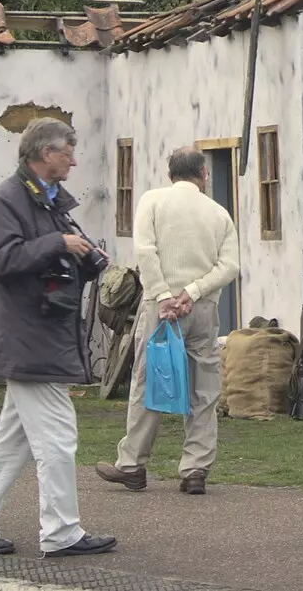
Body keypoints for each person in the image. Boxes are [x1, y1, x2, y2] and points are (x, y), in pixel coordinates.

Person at [0, 118, 115, 559]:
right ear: (46, 154)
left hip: (35, 334)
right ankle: (62, 532)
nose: (74, 159)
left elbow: (46, 255)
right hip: (27, 338)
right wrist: (60, 244)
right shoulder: (7, 199)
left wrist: (83, 255)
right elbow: (1, 259)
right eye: (68, 151)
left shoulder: (46, 203)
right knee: (59, 438)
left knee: (14, 440)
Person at [96, 147, 239, 496]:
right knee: (203, 389)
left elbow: (145, 251)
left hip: (158, 308)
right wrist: (192, 291)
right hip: (202, 307)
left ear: (169, 174)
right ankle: (195, 469)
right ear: (203, 175)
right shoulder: (219, 213)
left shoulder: (152, 202)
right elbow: (229, 266)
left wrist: (163, 297)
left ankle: (132, 463)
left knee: (148, 381)